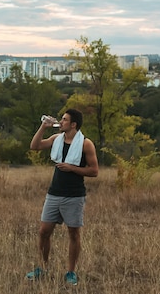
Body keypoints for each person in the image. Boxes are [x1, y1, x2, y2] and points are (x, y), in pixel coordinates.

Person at [26, 108, 99, 286]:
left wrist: (72, 168)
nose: (61, 122)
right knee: (44, 232)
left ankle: (71, 272)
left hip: (74, 196)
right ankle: (42, 268)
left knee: (73, 233)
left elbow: (94, 171)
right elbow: (34, 146)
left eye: (65, 120)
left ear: (73, 124)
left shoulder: (85, 144)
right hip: (54, 193)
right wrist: (43, 126)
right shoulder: (56, 139)